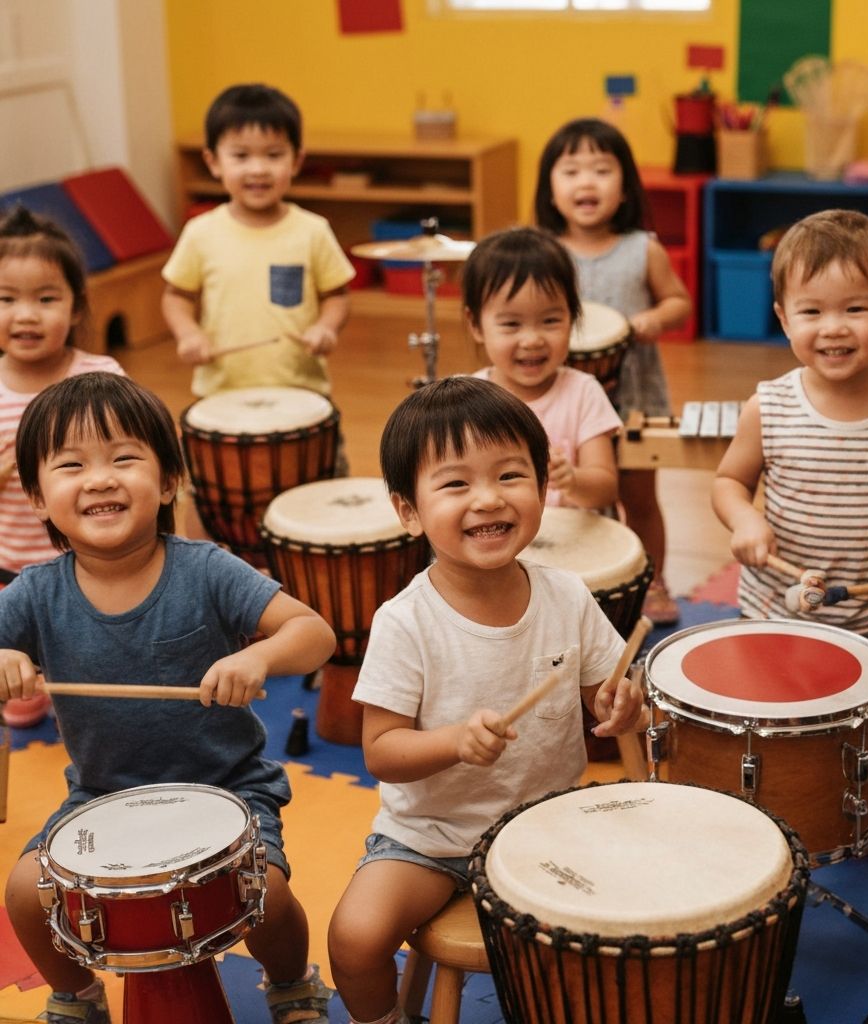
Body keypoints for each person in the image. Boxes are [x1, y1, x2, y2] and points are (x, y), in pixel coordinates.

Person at [0, 372, 339, 1024]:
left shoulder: (205, 568)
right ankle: (77, 993)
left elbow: (314, 633)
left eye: (124, 458)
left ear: (169, 481)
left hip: (228, 787)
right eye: (72, 465)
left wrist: (257, 655)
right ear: (38, 497)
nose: (100, 478)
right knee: (23, 891)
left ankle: (292, 980)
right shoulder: (37, 592)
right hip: (105, 795)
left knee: (264, 895)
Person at [326, 376, 643, 1024]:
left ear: (542, 485)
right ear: (408, 511)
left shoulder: (568, 596)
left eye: (509, 475)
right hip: (430, 841)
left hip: (548, 826)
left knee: (633, 928)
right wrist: (452, 742)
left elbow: (608, 697)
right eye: (456, 484)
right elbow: (382, 752)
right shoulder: (404, 621)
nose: (489, 499)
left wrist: (623, 706)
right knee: (354, 938)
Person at [712, 209, 868, 965]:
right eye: (812, 310)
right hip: (778, 615)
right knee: (757, 750)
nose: (834, 327)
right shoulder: (771, 404)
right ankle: (755, 857)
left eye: (856, 308)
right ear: (783, 316)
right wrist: (743, 524)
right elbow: (729, 481)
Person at [535, 117, 691, 624]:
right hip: (565, 398)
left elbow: (679, 301)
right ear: (550, 187)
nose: (586, 182)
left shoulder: (641, 248)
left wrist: (654, 318)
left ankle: (653, 579)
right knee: (573, 492)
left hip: (634, 395)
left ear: (625, 186)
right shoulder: (543, 253)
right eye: (572, 170)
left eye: (602, 169)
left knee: (640, 497)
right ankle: (585, 577)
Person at [0, 205, 126, 729]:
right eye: (6, 299)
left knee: (107, 691)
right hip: (11, 569)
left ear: (76, 308)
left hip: (91, 564)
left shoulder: (101, 376)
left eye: (46, 298)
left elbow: (133, 462)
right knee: (23, 709)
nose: (26, 315)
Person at [161, 83, 355, 400]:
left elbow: (337, 296)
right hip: (221, 391)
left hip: (301, 389)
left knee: (327, 451)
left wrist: (326, 328)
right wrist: (188, 333)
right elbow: (176, 296)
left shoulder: (313, 231)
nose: (258, 169)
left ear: (296, 161)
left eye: (274, 155)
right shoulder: (200, 232)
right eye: (240, 155)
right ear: (213, 162)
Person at [467, 225, 620, 510]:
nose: (532, 340)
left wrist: (573, 480)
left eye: (550, 321)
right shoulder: (467, 401)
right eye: (511, 324)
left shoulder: (583, 392)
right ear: (476, 325)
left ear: (572, 318)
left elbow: (605, 490)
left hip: (568, 545)